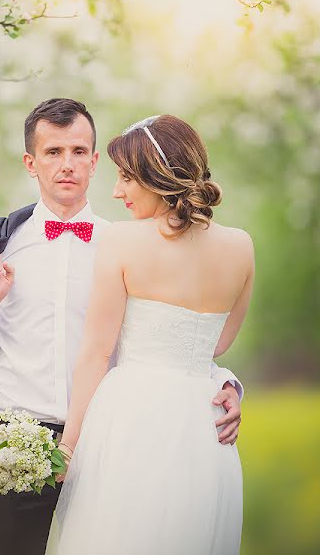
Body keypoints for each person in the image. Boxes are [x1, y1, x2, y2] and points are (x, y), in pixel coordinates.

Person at [0, 99, 246, 555]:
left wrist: (228, 382)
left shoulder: (130, 243)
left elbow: (167, 336)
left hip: (107, 442)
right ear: (30, 163)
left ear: (96, 161)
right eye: (53, 152)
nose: (67, 165)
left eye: (79, 151)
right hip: (19, 436)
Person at [46, 114, 253, 554]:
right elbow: (214, 346)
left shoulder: (121, 240)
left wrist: (67, 446)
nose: (117, 192)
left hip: (131, 421)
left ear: (158, 178)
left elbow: (95, 354)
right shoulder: (242, 247)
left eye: (126, 179)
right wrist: (227, 383)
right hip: (204, 429)